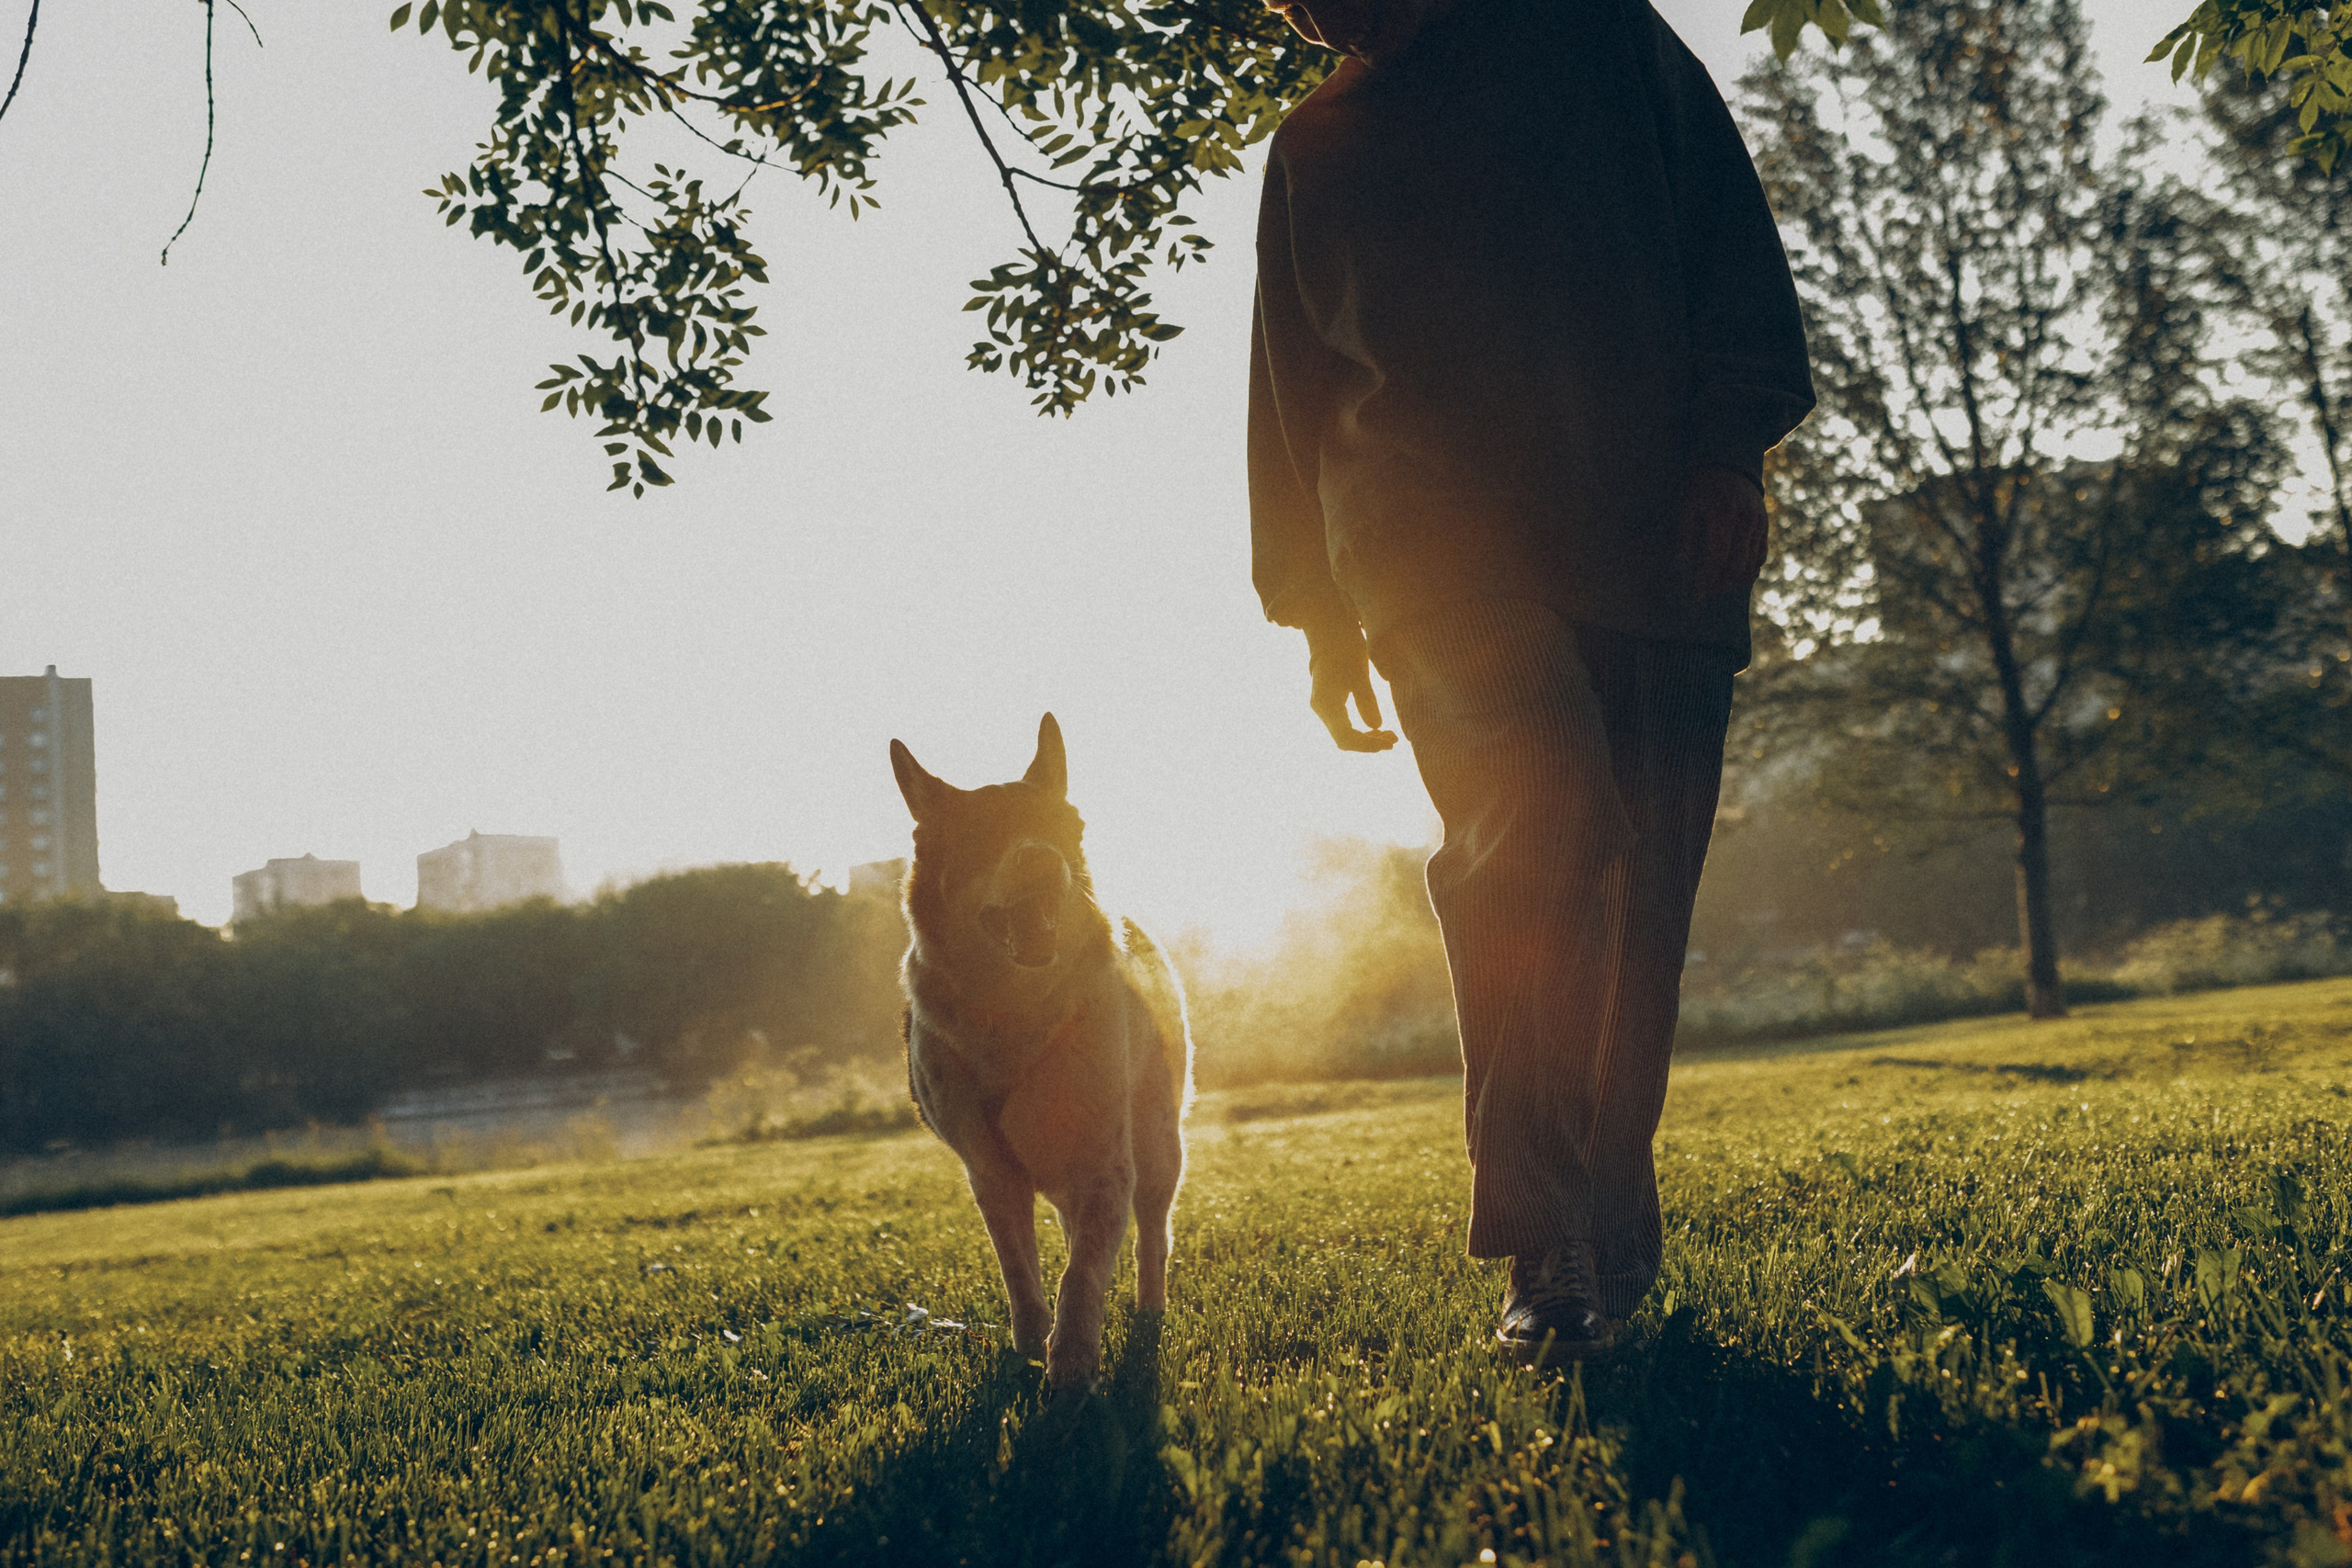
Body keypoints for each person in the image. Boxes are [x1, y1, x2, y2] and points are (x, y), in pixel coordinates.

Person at [1250, 0, 1815, 1359]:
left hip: (1656, 540)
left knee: (1642, 892)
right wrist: (1319, 620)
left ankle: (1604, 1230)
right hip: (1433, 561)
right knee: (1544, 811)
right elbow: (1289, 396)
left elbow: (1731, 251)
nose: (1312, 11)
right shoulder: (1313, 148)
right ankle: (1544, 1244)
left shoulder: (1605, 41)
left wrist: (1732, 453)